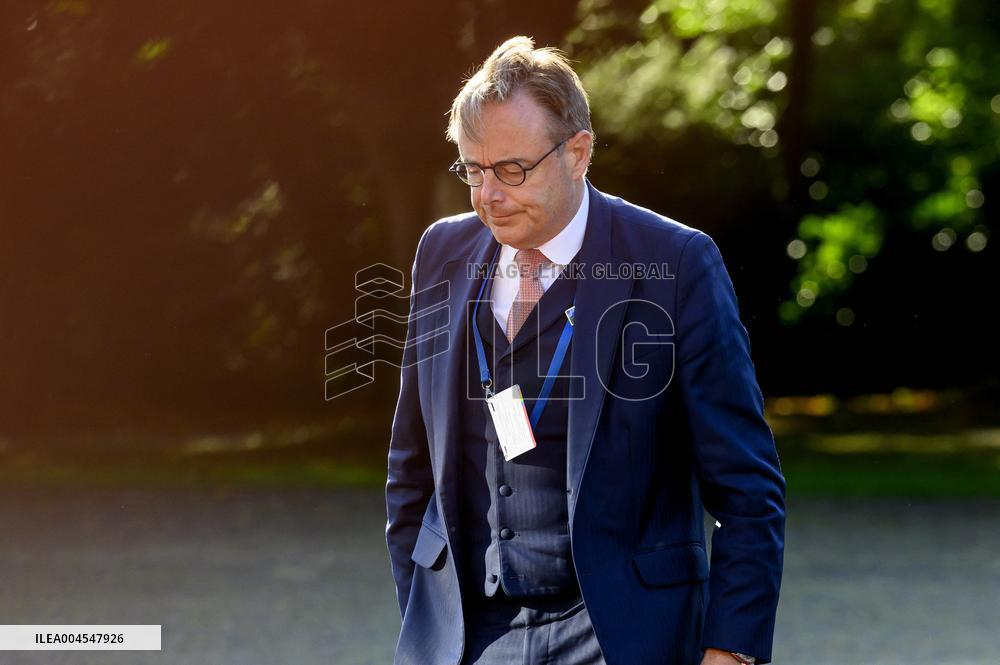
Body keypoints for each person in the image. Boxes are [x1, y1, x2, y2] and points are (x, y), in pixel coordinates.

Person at [385, 36, 785, 665]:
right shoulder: (442, 254)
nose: (489, 195)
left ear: (578, 153)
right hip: (471, 636)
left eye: (512, 170)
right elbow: (411, 468)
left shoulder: (676, 263)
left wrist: (729, 651)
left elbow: (748, 488)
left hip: (624, 635)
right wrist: (426, 619)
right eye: (472, 169)